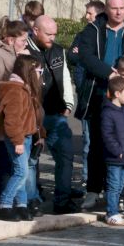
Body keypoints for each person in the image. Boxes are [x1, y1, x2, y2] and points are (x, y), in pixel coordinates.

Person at [75, 0, 124, 212]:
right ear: (106, 10)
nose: (119, 12)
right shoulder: (92, 30)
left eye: (122, 8)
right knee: (96, 145)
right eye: (114, 8)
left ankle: (121, 193)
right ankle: (93, 190)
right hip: (99, 93)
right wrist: (108, 73)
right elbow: (85, 56)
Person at [24, 15, 77, 215]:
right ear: (36, 31)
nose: (52, 38)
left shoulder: (57, 50)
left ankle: (62, 200)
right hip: (32, 114)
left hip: (56, 113)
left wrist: (68, 104)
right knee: (32, 160)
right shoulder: (24, 51)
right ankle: (32, 200)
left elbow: (65, 76)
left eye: (55, 34)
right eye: (48, 34)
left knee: (66, 155)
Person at [0, 55, 44, 222]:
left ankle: (21, 205)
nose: (40, 73)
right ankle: (5, 205)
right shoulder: (15, 90)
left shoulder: (26, 89)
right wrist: (18, 141)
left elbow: (34, 116)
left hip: (27, 136)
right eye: (38, 70)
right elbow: (12, 120)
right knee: (21, 172)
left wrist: (40, 134)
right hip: (19, 138)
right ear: (28, 71)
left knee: (21, 172)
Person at [0, 18, 29, 217]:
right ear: (11, 40)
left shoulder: (13, 54)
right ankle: (0, 207)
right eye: (23, 40)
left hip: (6, 118)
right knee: (5, 164)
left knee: (7, 165)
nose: (26, 43)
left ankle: (7, 206)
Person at [68, 0, 105, 195]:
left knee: (102, 141)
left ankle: (103, 182)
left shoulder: (105, 36)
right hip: (84, 94)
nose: (86, 16)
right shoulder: (82, 34)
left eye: (90, 13)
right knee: (87, 141)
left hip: (100, 93)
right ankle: (87, 179)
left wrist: (83, 55)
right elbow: (72, 56)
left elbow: (94, 60)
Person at [100, 76, 124, 226]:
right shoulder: (108, 112)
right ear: (117, 94)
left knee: (120, 186)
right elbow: (107, 135)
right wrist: (117, 150)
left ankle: (114, 210)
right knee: (114, 186)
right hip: (115, 157)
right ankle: (111, 213)